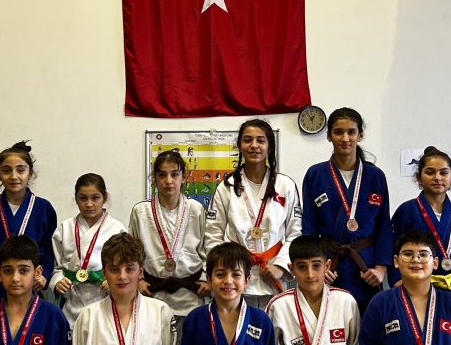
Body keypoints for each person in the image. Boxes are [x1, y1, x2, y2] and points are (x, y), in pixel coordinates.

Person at [301, 108, 392, 312]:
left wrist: (380, 268)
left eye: (351, 132)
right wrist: (317, 267)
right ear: (328, 136)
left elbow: (384, 226)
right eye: (338, 132)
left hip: (366, 267)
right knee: (331, 322)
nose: (345, 138)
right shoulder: (315, 174)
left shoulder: (375, 176)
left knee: (368, 322)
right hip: (330, 266)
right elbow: (309, 227)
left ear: (360, 135)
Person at [204, 119, 301, 309]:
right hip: (235, 279)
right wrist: (227, 271)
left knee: (274, 326)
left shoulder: (285, 185)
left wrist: (281, 266)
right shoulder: (226, 187)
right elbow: (213, 235)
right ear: (239, 146)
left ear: (270, 147)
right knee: (237, 326)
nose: (254, 145)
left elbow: (295, 233)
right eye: (247, 140)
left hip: (273, 276)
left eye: (260, 140)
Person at [391, 146, 451, 304]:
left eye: (444, 173)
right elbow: (393, 249)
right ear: (419, 178)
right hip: (414, 287)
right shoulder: (407, 211)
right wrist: (396, 278)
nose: (437, 178)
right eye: (430, 172)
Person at [129, 150, 208, 324]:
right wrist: (138, 280)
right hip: (153, 292)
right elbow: (132, 252)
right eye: (162, 175)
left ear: (184, 177)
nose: (168, 180)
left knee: (189, 339)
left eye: (174, 174)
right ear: (154, 178)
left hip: (191, 293)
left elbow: (205, 248)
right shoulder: (141, 211)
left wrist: (206, 278)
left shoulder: (196, 209)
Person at [0, 142, 57, 303]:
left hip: (30, 283)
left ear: (30, 173)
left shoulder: (44, 208)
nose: (14, 176)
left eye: (20, 170)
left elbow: (49, 250)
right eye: (6, 170)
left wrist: (45, 275)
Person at [50, 173, 127, 327]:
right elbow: (56, 268)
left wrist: (113, 281)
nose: (89, 204)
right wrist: (58, 281)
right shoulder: (65, 228)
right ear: (76, 199)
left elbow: (124, 267)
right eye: (83, 198)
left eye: (95, 198)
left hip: (103, 296)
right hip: (72, 300)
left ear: (105, 198)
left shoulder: (117, 229)